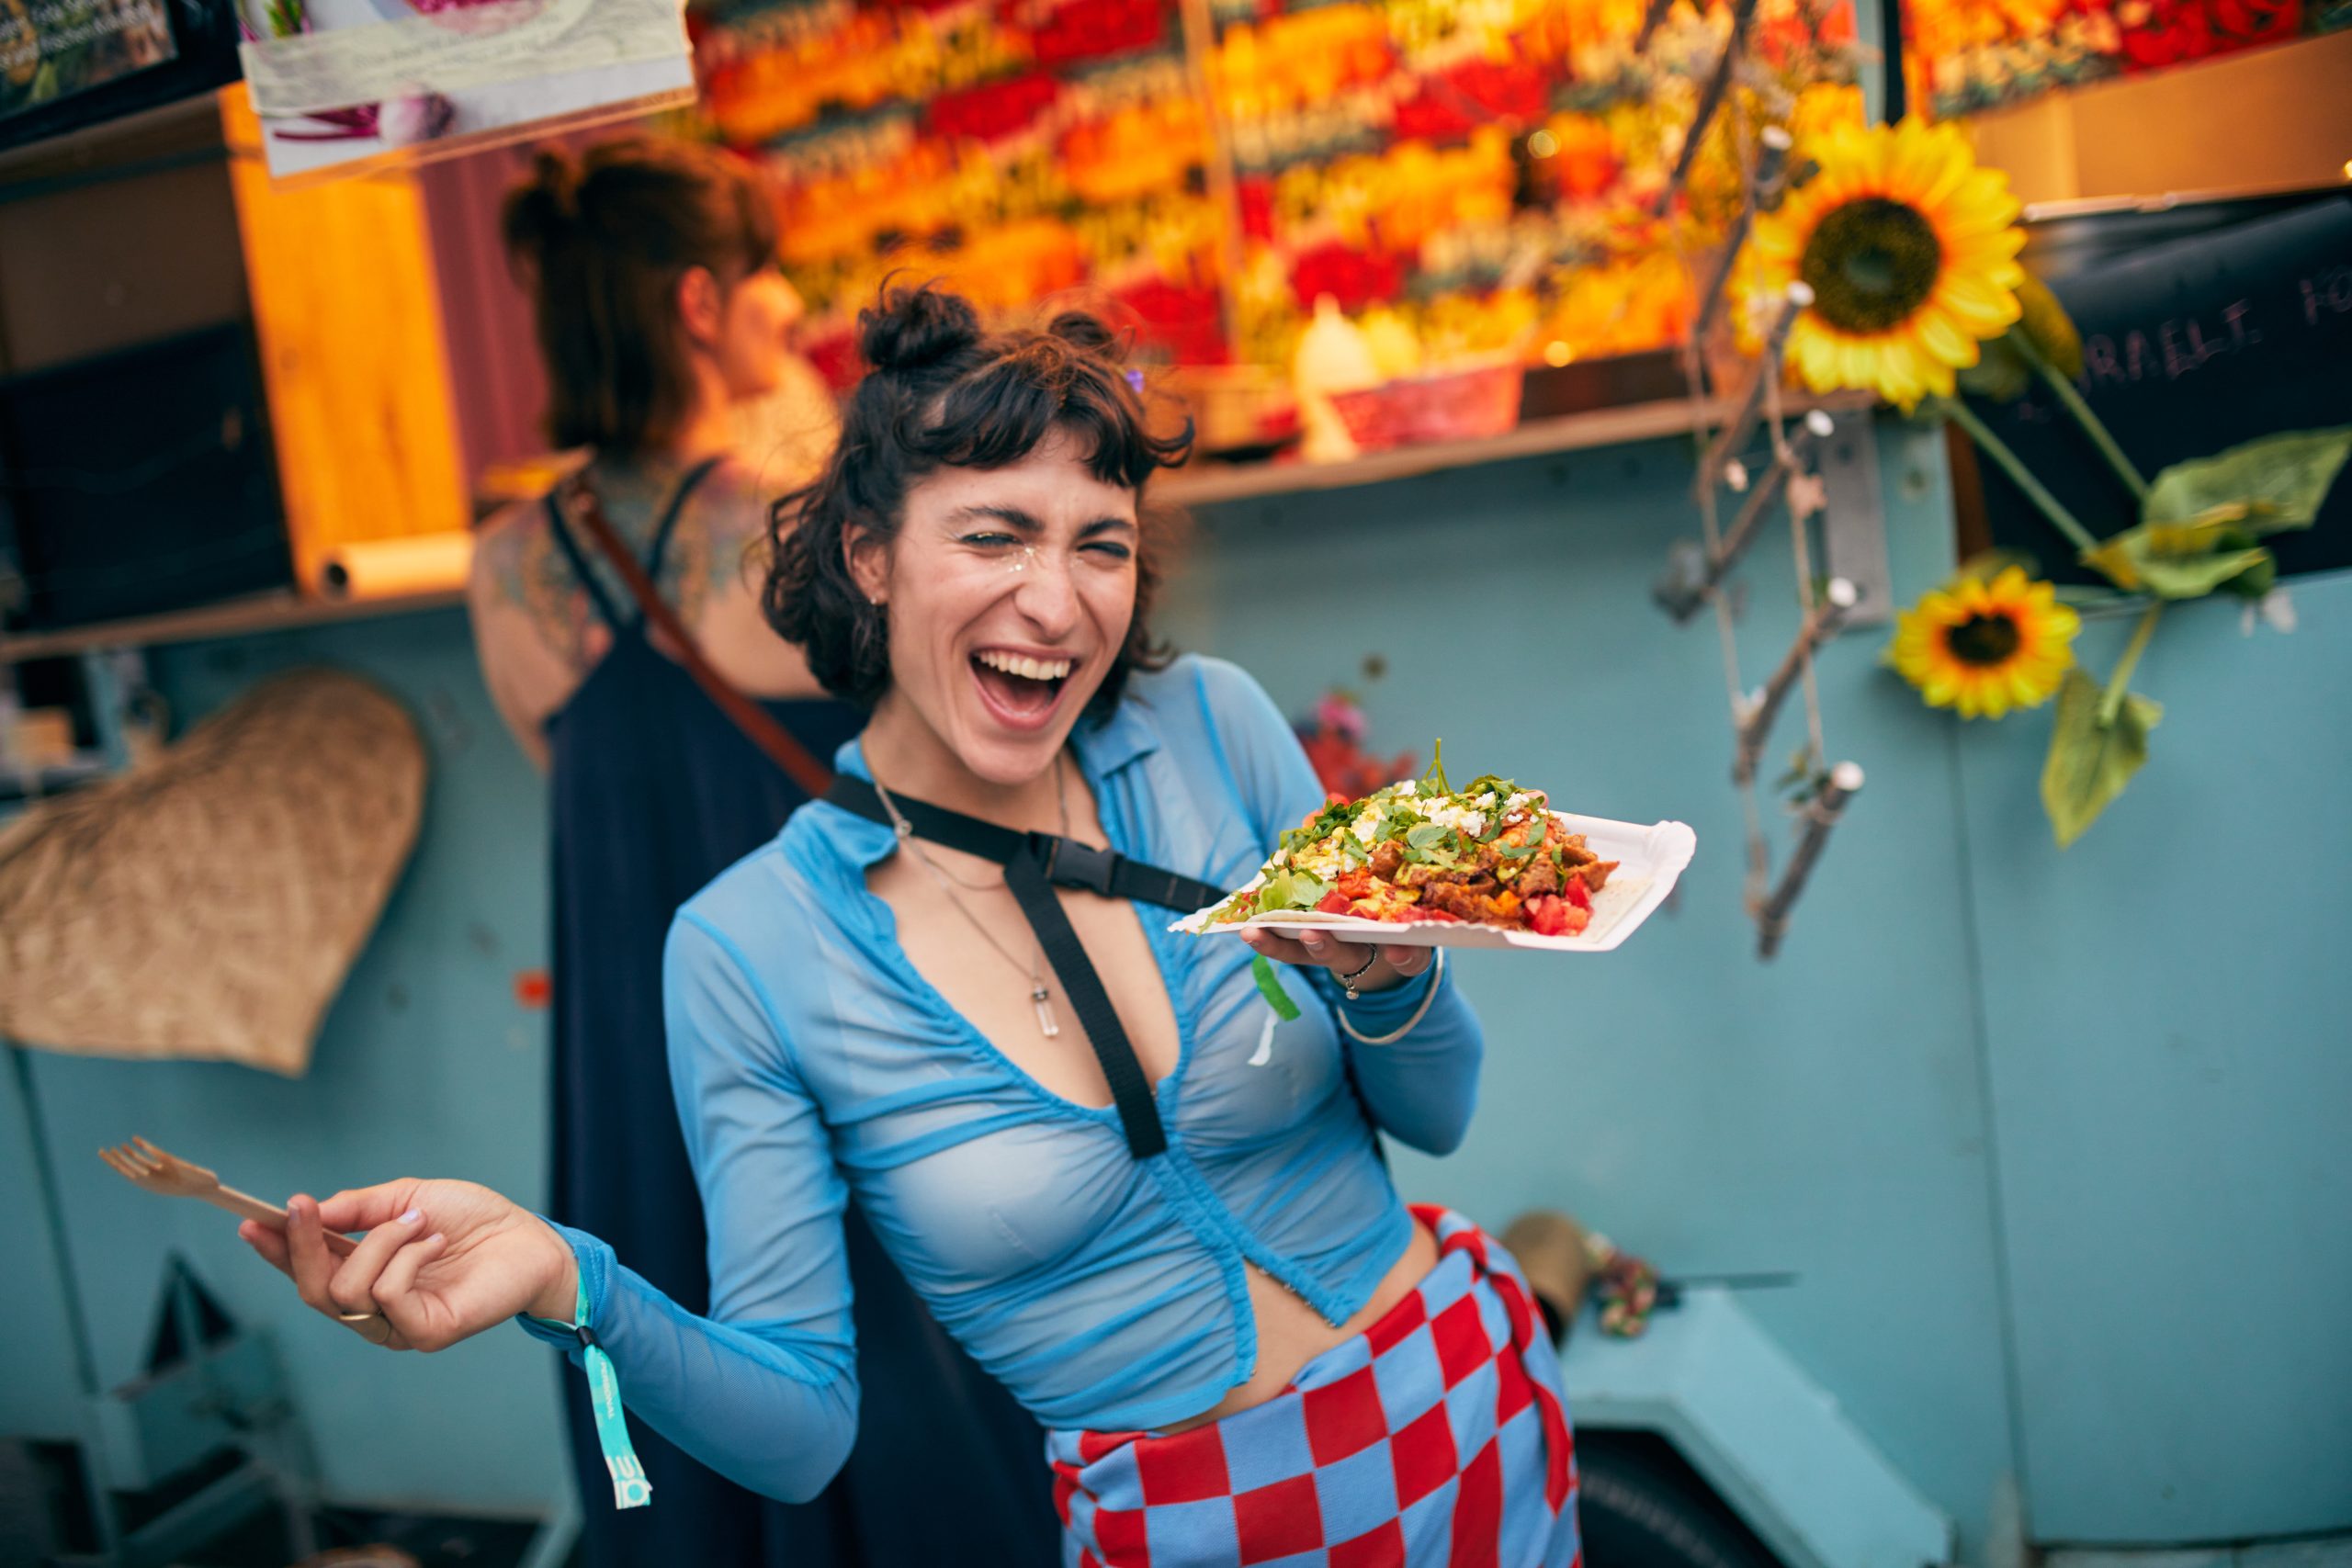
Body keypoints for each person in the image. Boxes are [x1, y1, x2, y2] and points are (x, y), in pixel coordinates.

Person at [243, 283, 1581, 1566]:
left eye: (1098, 545)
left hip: (1468, 1406)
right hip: (1193, 1524)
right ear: (867, 556)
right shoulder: (749, 948)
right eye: (994, 535)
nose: (1056, 605)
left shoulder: (1210, 727)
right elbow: (801, 1431)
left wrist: (1391, 974)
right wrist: (570, 1283)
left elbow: (1436, 1112)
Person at [459, 148, 1055, 1564]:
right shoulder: (793, 533)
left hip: (636, 1054)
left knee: (673, 1359)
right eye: (771, 277)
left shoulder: (504, 571)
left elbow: (586, 792)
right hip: (824, 1029)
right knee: (909, 1378)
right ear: (702, 302)